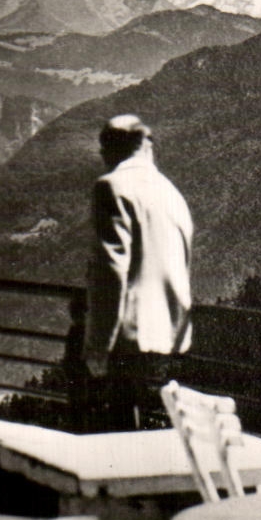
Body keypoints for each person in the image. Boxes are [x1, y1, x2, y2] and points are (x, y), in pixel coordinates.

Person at [82, 114, 195, 431]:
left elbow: (110, 272)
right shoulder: (172, 193)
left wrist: (98, 348)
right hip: (171, 338)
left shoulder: (111, 187)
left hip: (128, 340)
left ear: (110, 149)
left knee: (115, 439)